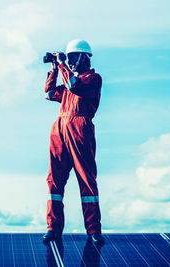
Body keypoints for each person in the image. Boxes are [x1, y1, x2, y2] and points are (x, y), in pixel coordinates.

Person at [43, 40, 104, 245]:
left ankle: (94, 230)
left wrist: (62, 65)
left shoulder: (93, 79)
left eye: (72, 57)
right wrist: (53, 69)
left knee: (86, 179)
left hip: (80, 130)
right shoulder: (70, 80)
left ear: (84, 57)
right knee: (54, 180)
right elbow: (49, 94)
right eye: (67, 58)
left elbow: (74, 86)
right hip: (60, 130)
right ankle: (53, 228)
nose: (69, 61)